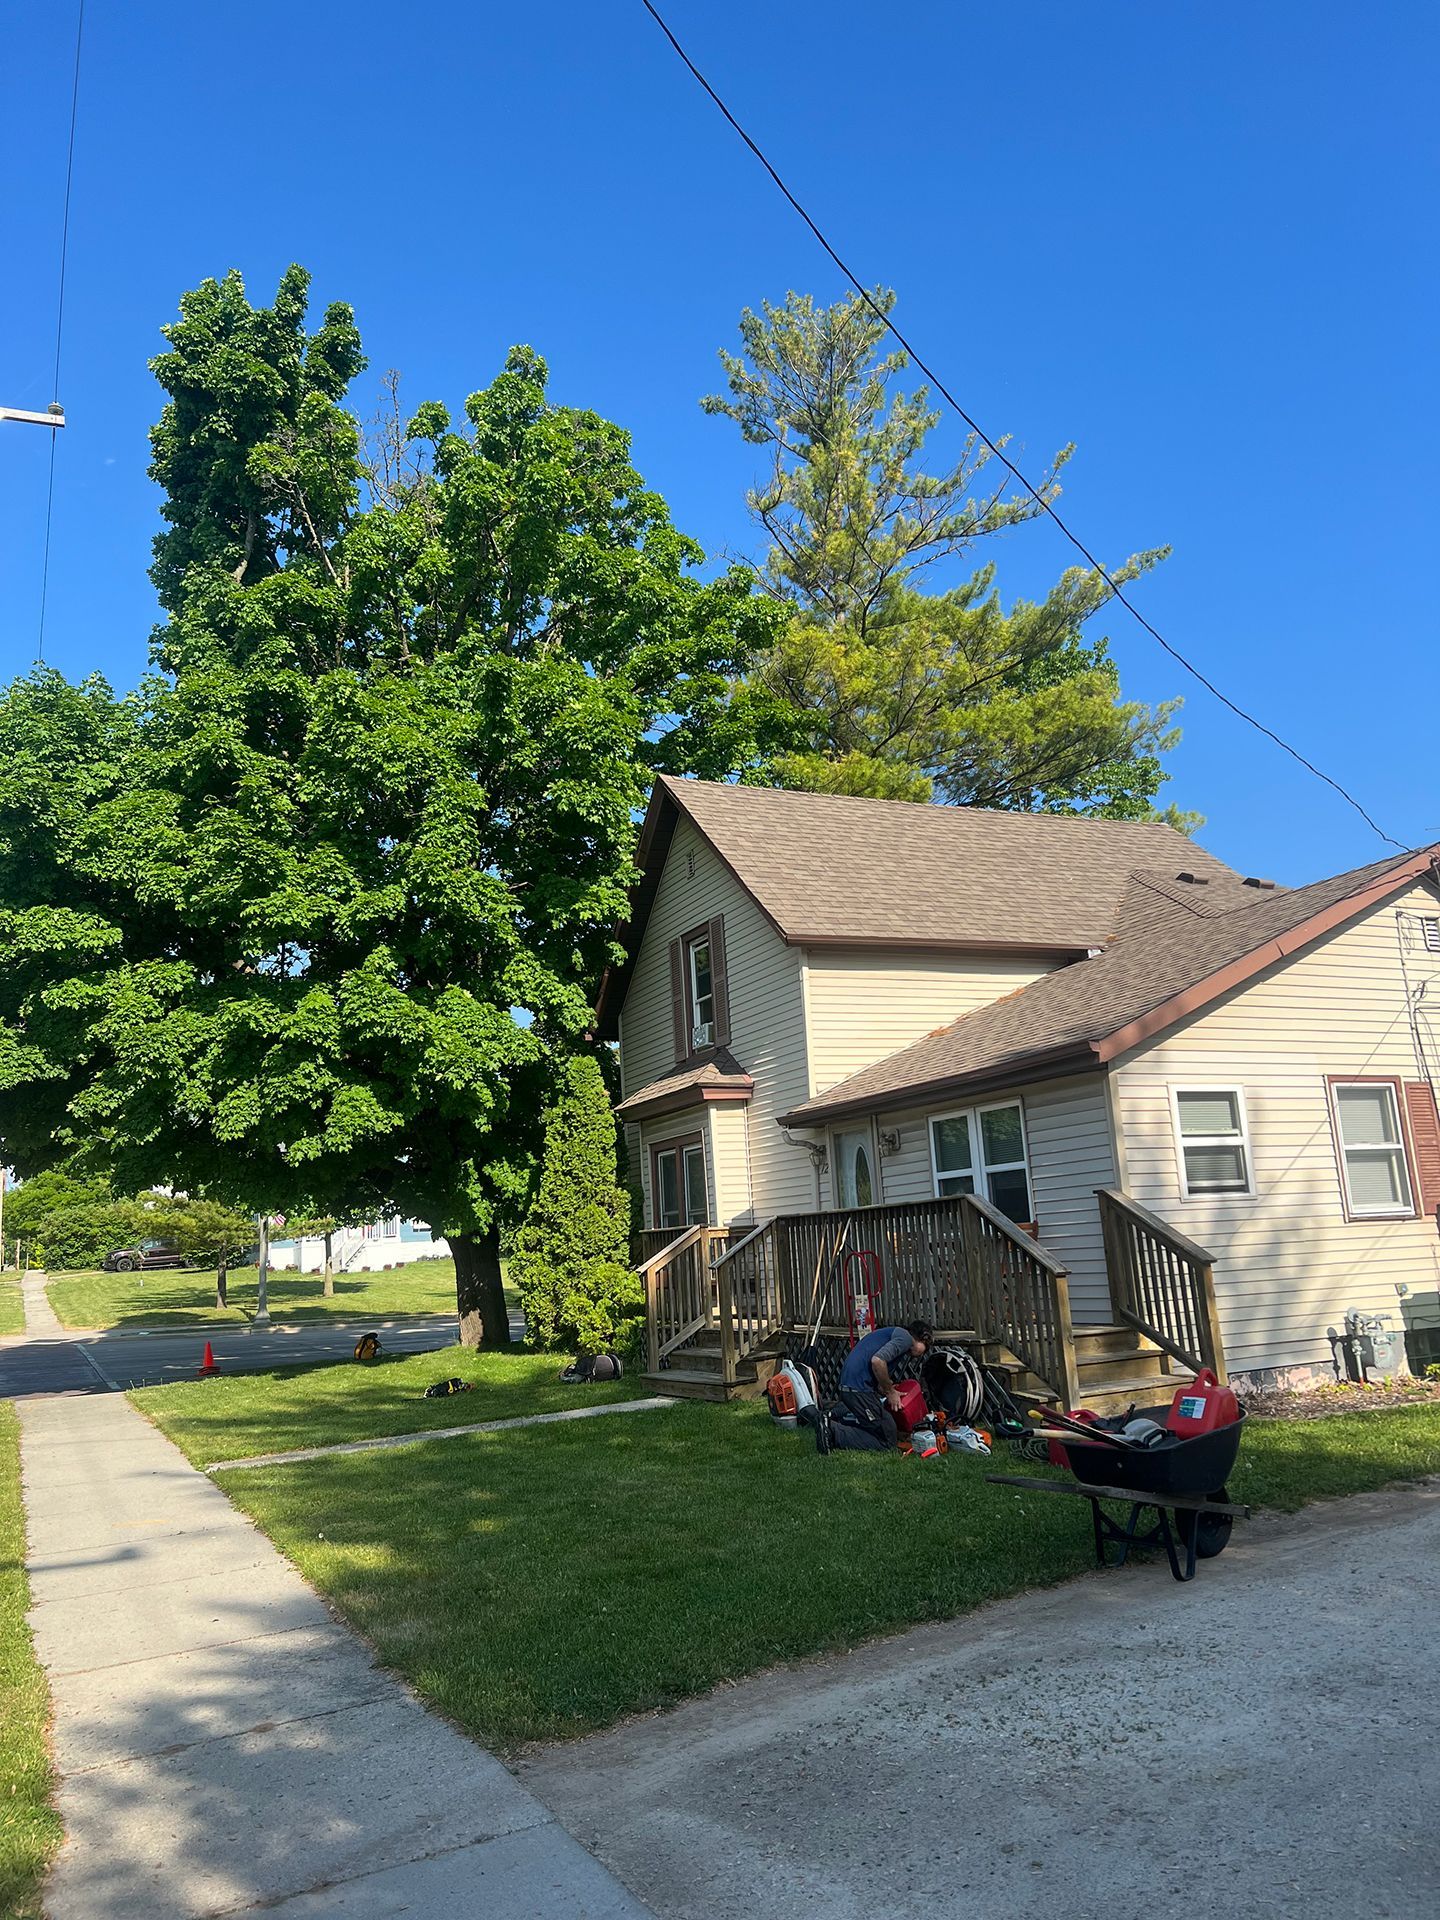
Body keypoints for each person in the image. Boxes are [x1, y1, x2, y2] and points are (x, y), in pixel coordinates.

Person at [805, 1319, 932, 1453]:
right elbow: (877, 1361)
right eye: (926, 1346)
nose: (923, 1353)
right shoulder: (906, 1339)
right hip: (857, 1389)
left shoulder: (894, 1334)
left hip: (851, 1386)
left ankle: (831, 1422)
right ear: (922, 1337)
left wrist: (886, 1388)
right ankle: (832, 1431)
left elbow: (875, 1369)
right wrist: (890, 1392)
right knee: (888, 1439)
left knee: (882, 1425)